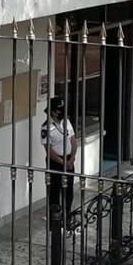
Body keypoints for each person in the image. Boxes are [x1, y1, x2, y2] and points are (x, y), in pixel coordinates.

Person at [41, 96, 78, 227]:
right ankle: (54, 221)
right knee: (54, 191)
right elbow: (49, 151)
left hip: (69, 160)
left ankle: (67, 217)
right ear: (52, 111)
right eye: (58, 110)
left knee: (68, 190)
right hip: (55, 162)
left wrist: (72, 159)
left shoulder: (66, 122)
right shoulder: (46, 128)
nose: (61, 112)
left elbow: (73, 141)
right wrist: (62, 162)